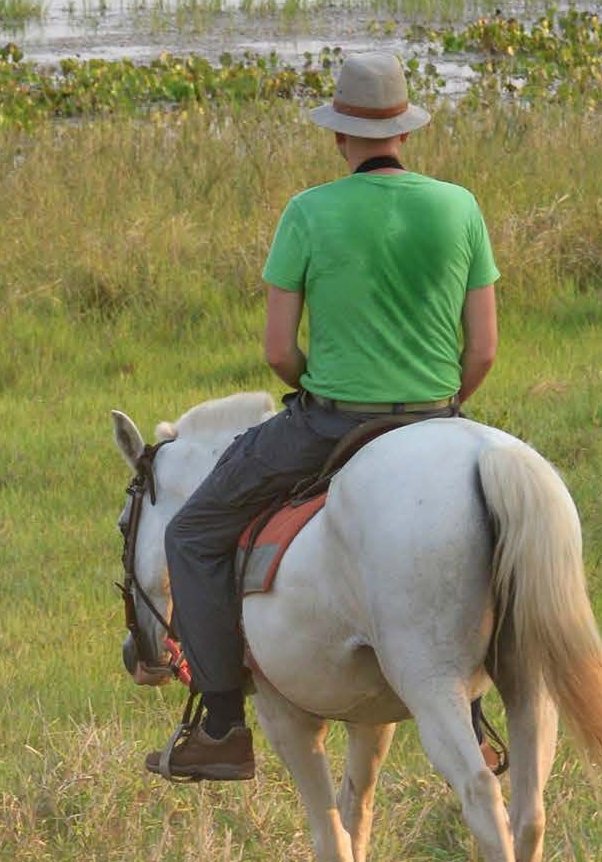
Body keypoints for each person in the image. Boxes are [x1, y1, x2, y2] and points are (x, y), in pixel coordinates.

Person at [148, 47, 499, 782]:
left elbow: (278, 350)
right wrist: (444, 406)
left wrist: (319, 384)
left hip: (332, 423)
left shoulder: (307, 211)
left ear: (340, 136)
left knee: (195, 531)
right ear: (406, 130)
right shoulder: (459, 206)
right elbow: (485, 349)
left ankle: (219, 725)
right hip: (439, 418)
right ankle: (476, 714)